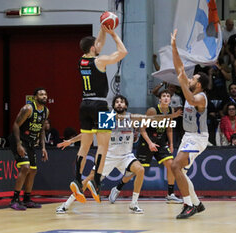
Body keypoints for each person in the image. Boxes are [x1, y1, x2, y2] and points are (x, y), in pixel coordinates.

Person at [56, 95, 181, 213]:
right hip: (108, 156)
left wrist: (171, 116)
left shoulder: (131, 118)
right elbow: (88, 134)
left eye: (122, 101)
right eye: (117, 102)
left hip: (126, 156)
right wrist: (71, 141)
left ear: (126, 106)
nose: (119, 103)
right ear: (114, 105)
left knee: (140, 170)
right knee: (89, 179)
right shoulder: (108, 118)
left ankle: (134, 204)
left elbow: (152, 118)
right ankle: (66, 205)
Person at [69, 24, 128, 204]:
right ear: (93, 48)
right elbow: (123, 52)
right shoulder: (100, 61)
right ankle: (96, 181)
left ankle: (77, 180)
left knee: (84, 146)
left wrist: (102, 29)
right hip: (102, 105)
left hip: (84, 104)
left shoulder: (81, 61)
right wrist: (113, 34)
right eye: (97, 45)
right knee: (103, 146)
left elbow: (98, 44)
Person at [170, 29, 208, 219]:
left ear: (199, 84)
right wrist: (174, 47)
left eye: (194, 79)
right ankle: (197, 203)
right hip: (188, 136)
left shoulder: (200, 97)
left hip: (198, 138)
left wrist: (183, 83)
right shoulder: (190, 89)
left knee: (175, 166)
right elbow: (180, 69)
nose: (190, 79)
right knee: (179, 170)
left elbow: (191, 100)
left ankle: (188, 205)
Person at [135, 90, 183, 204]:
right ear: (159, 99)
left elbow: (169, 128)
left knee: (171, 165)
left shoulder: (171, 110)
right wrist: (150, 143)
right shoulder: (152, 110)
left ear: (170, 100)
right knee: (135, 170)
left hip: (160, 142)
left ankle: (170, 194)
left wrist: (171, 144)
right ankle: (118, 188)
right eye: (163, 96)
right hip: (146, 141)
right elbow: (142, 128)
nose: (166, 98)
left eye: (168, 96)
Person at [9, 88, 49, 210]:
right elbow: (15, 125)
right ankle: (15, 199)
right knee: (25, 167)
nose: (44, 96)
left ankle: (27, 199)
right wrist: (18, 144)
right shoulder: (28, 109)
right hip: (19, 141)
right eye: (41, 94)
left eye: (45, 94)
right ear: (35, 97)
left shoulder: (46, 111)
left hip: (31, 142)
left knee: (33, 170)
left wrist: (43, 147)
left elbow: (42, 129)